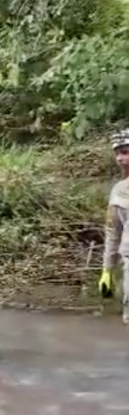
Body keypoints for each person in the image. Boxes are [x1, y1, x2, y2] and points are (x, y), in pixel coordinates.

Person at [100, 129, 129, 314]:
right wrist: (107, 270)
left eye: (125, 152)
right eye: (117, 153)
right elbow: (112, 232)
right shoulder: (119, 191)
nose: (120, 158)